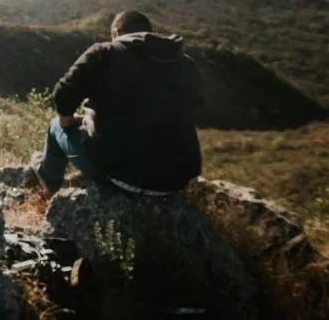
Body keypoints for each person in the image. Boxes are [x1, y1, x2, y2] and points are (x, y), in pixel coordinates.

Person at [33, 10, 203, 196]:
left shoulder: (105, 53)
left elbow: (63, 94)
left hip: (120, 176)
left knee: (56, 125)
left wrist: (69, 122)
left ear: (115, 32)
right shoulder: (186, 64)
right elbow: (196, 106)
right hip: (177, 182)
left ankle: (48, 183)